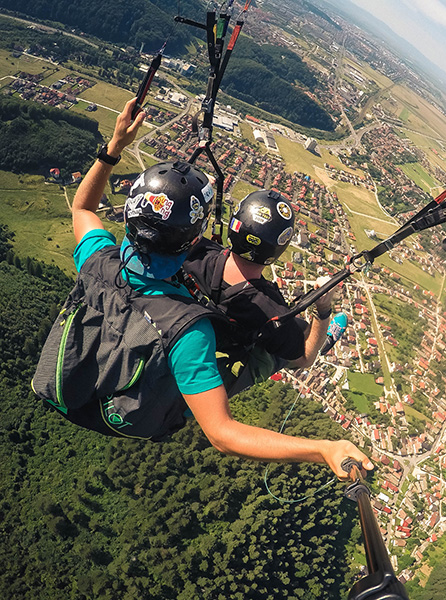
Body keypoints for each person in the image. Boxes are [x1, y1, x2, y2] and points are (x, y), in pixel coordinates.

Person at [43, 97, 372, 479]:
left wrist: (114, 147)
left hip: (77, 381)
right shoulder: (189, 333)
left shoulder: (99, 259)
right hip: (134, 415)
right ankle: (321, 329)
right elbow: (222, 433)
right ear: (190, 242)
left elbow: (83, 209)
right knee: (261, 360)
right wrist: (322, 449)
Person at [182, 189, 335, 395]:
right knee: (298, 334)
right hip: (227, 352)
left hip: (188, 334)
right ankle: (323, 337)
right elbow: (305, 359)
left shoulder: (196, 252)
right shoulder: (269, 309)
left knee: (287, 329)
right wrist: (323, 311)